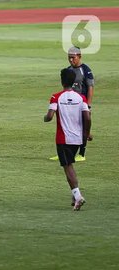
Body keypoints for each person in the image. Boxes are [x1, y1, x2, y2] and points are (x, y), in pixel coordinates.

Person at [44, 68, 92, 211]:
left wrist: (45, 118)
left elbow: (50, 116)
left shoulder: (56, 97)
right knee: (70, 164)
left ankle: (78, 196)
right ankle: (74, 196)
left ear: (62, 81)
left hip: (63, 139)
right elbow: (87, 117)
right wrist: (87, 133)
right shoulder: (81, 98)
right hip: (78, 139)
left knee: (68, 166)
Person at [50, 46, 94, 161]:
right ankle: (63, 153)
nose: (70, 60)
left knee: (82, 126)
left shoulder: (85, 70)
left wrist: (88, 105)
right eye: (69, 58)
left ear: (79, 56)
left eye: (73, 58)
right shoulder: (68, 70)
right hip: (69, 103)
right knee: (66, 125)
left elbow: (90, 88)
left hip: (81, 103)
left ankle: (82, 154)